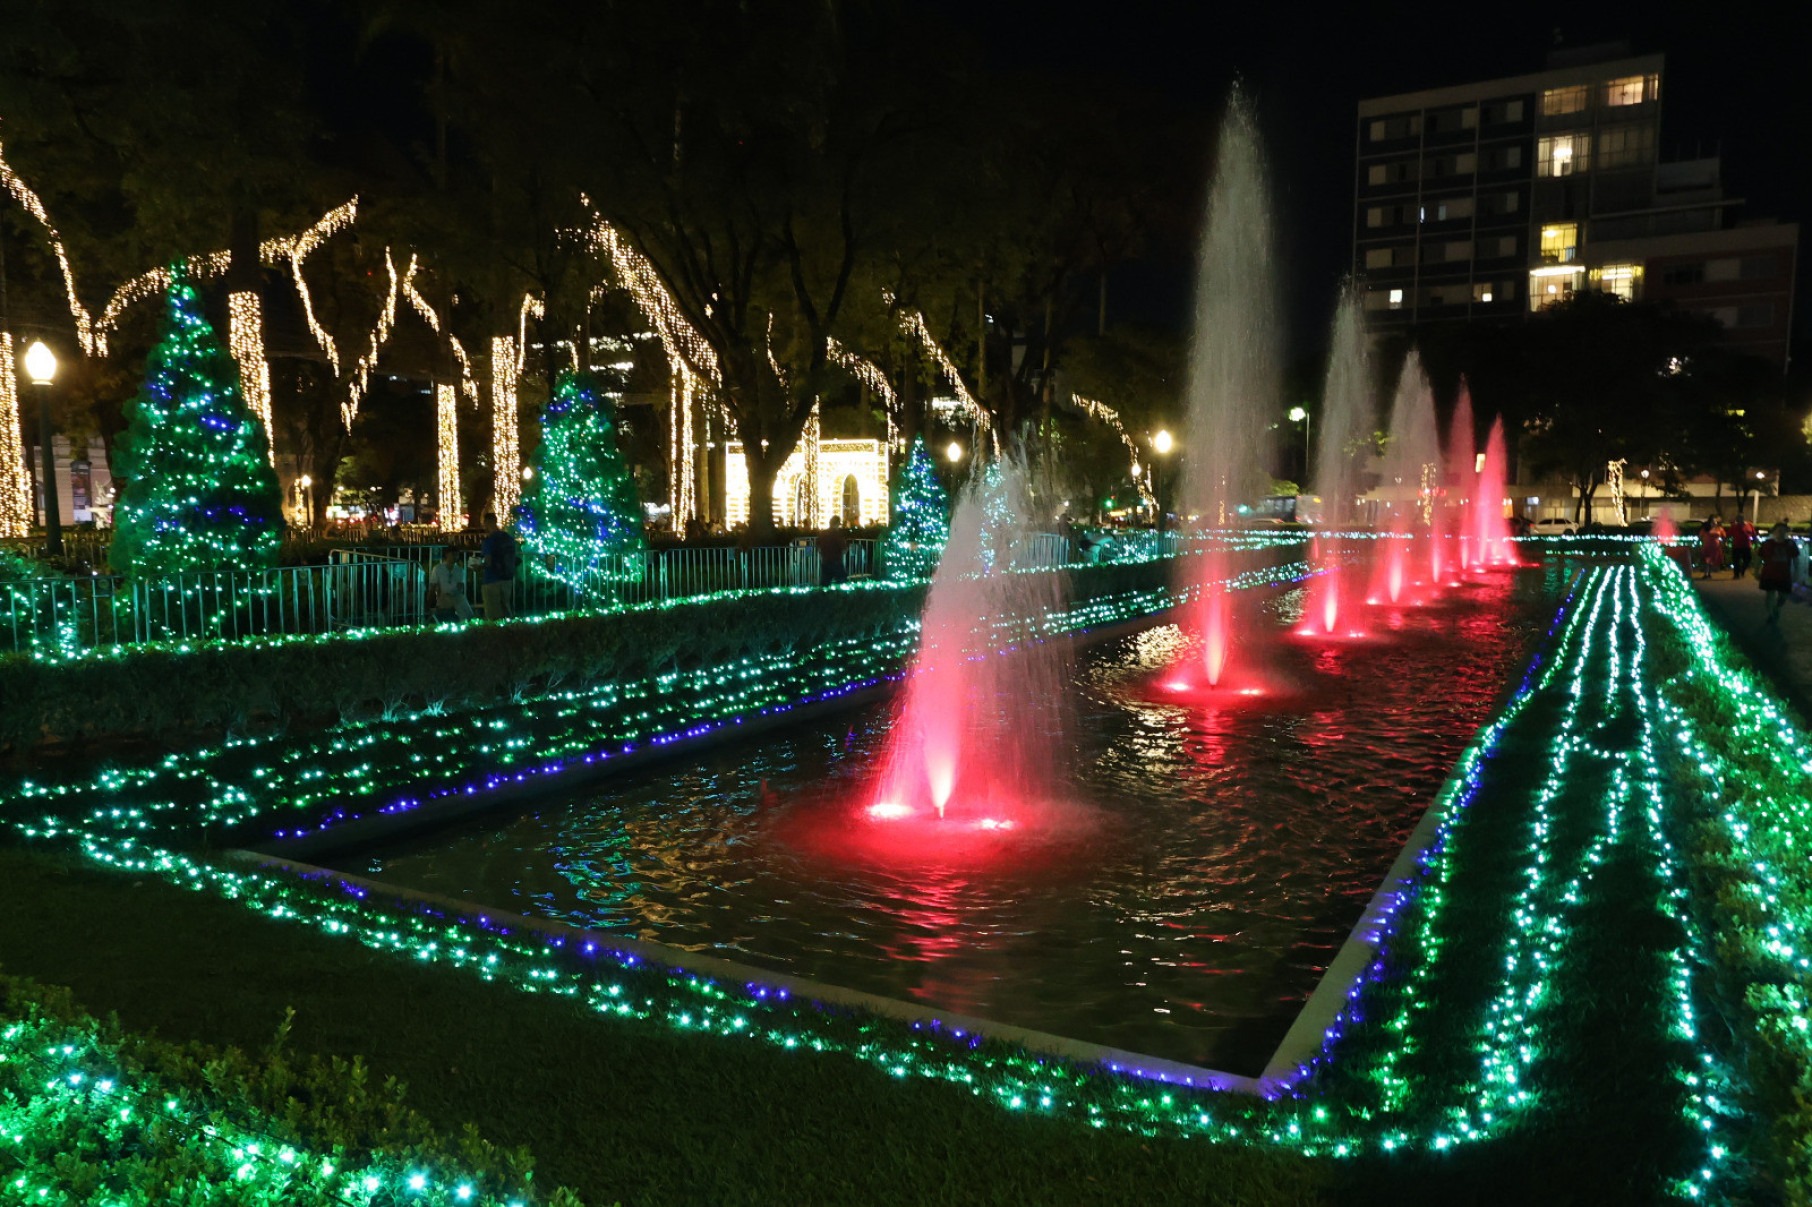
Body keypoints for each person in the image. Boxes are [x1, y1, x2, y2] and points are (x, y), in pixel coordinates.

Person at [1758, 521, 1800, 625]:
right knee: (1769, 595)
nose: (1781, 533)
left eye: (1783, 530)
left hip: (1784, 575)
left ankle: (1776, 608)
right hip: (1769, 573)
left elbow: (1796, 559)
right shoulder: (1767, 544)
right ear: (1774, 532)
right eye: (1778, 530)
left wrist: (1797, 572)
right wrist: (1756, 570)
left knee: (1783, 596)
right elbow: (1759, 557)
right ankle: (1771, 614)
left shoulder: (1790, 544)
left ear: (1786, 532)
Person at [478, 511, 519, 620]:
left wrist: (478, 567)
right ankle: (511, 634)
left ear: (486, 522)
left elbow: (488, 562)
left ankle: (497, 636)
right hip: (507, 579)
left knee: (493, 615)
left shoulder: (489, 541)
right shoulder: (508, 538)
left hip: (491, 580)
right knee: (506, 611)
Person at [425, 545, 474, 622]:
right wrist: (430, 602)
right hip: (443, 596)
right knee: (460, 602)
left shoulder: (459, 570)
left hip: (455, 595)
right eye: (453, 554)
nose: (455, 557)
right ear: (447, 555)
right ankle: (466, 622)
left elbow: (460, 586)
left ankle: (466, 621)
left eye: (457, 555)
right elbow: (433, 586)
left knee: (461, 600)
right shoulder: (438, 569)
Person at [817, 515, 848, 586]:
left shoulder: (822, 533)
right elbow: (844, 549)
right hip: (836, 561)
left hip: (825, 561)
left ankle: (822, 596)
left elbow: (818, 546)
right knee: (842, 581)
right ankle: (840, 596)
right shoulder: (838, 534)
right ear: (837, 524)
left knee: (825, 583)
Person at [1699, 515, 1727, 580]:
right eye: (1713, 521)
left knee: (1712, 560)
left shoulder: (1719, 529)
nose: (1715, 522)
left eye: (1715, 521)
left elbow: (1724, 536)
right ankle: (1706, 573)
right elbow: (1700, 536)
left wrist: (1723, 543)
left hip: (1715, 547)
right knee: (1707, 560)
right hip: (1707, 545)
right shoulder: (1706, 528)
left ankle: (1708, 573)